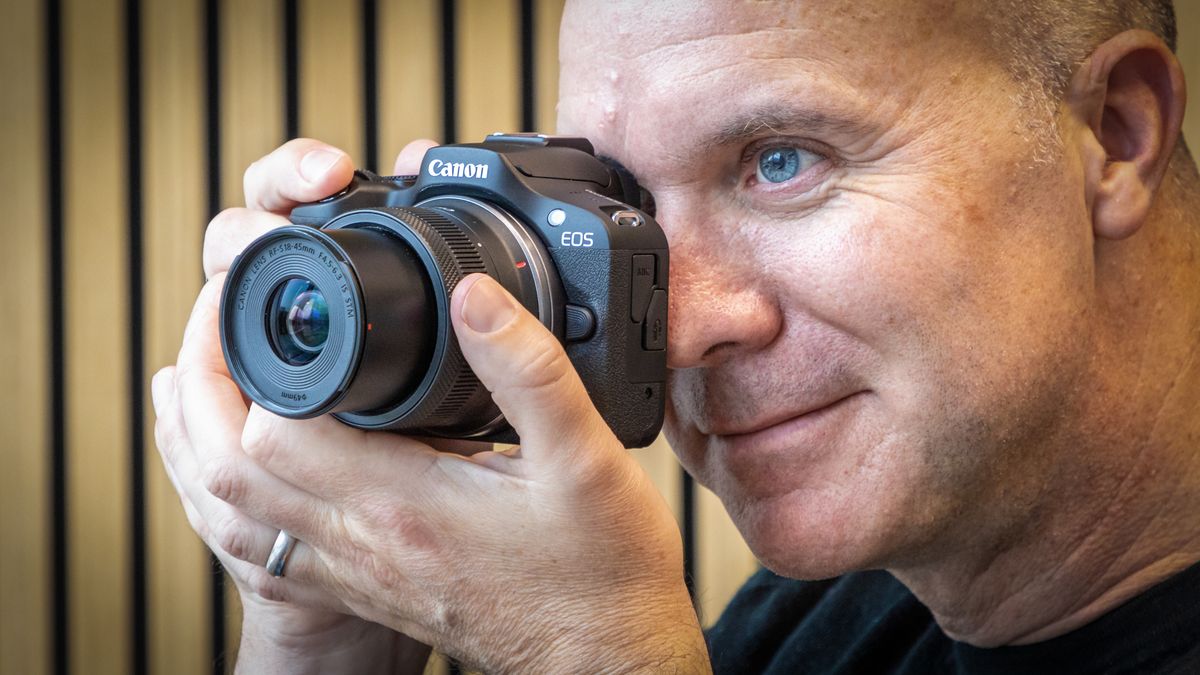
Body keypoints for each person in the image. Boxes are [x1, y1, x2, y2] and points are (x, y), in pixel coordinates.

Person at [152, 0, 1200, 671]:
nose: (684, 330)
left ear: (1114, 133)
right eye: (624, 215)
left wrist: (592, 655)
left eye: (780, 162)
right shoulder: (814, 628)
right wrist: (325, 633)